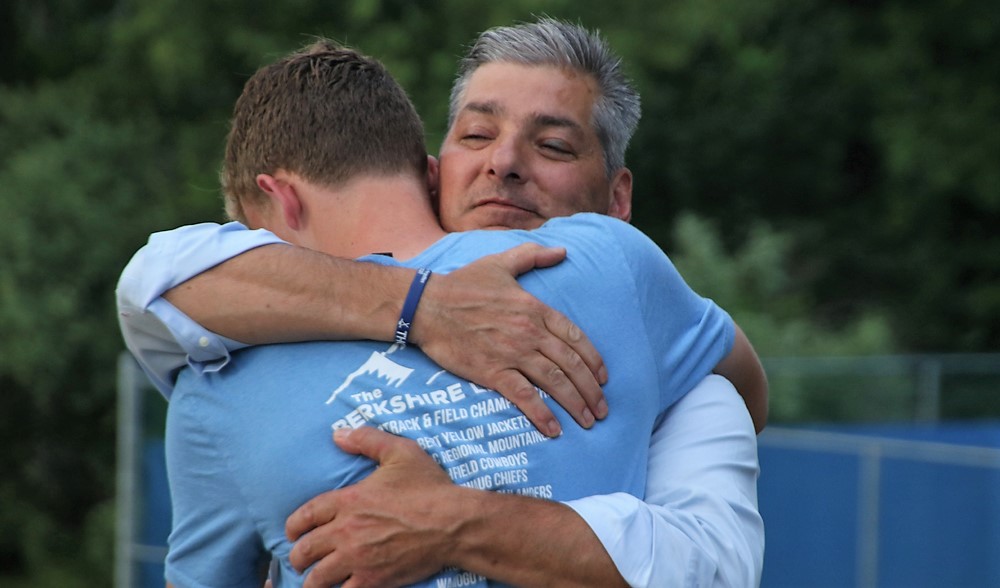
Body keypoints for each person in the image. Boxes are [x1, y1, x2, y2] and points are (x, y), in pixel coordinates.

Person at [120, 19, 765, 587]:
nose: (504, 164)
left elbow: (710, 562)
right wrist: (424, 306)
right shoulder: (228, 353)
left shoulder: (633, 291)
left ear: (618, 204)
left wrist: (455, 523)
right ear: (433, 171)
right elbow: (151, 282)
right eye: (478, 135)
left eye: (554, 146)